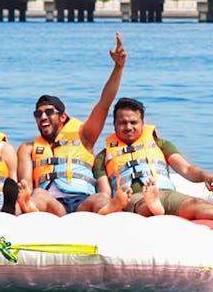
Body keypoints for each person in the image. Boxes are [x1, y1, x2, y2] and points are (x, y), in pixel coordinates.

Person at [93, 97, 213, 232]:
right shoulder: (104, 156)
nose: (128, 127)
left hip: (165, 193)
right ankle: (154, 207)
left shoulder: (161, 144)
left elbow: (186, 169)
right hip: (132, 197)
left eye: (133, 122)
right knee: (143, 206)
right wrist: (113, 203)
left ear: (143, 123)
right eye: (122, 123)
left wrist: (206, 176)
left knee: (195, 203)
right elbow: (105, 191)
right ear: (114, 124)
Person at [16, 33, 129, 215]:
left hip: (82, 199)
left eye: (49, 112)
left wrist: (118, 67)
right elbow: (25, 184)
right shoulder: (27, 148)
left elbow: (105, 103)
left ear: (63, 117)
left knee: (101, 198)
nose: (42, 116)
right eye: (38, 113)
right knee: (37, 194)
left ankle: (107, 209)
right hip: (52, 202)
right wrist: (25, 195)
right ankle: (31, 209)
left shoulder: (85, 135)